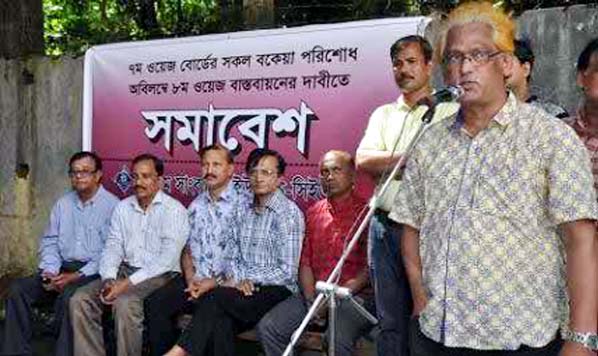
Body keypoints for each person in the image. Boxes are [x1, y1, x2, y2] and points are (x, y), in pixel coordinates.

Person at [391, 2, 598, 355]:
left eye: (478, 55)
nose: (465, 68)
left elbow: (582, 241)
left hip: (523, 336)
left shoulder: (551, 137)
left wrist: (582, 337)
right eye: (454, 58)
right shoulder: (430, 142)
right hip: (439, 332)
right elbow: (410, 223)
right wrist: (420, 297)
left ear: (505, 64)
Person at [355, 35, 457, 356]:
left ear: (429, 66)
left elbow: (445, 166)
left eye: (411, 62)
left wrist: (390, 163)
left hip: (430, 231)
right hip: (384, 228)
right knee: (389, 320)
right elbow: (363, 161)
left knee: (425, 317)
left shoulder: (451, 111)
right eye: (397, 64)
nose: (403, 69)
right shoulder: (383, 114)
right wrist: (407, 159)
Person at [164, 148, 304, 356]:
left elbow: (287, 272)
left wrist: (247, 278)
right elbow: (232, 256)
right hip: (241, 287)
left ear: (280, 179)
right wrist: (238, 279)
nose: (258, 178)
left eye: (266, 173)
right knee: (221, 322)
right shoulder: (243, 207)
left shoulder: (288, 213)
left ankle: (180, 351)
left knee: (216, 297)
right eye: (254, 172)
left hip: (276, 289)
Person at [69, 153, 189, 356]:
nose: (138, 182)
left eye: (145, 176)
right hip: (123, 271)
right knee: (80, 299)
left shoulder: (174, 210)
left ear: (159, 180)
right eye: (135, 176)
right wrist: (108, 278)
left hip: (160, 276)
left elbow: (166, 260)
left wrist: (125, 285)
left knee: (125, 303)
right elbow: (113, 246)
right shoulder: (123, 208)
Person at [0, 152, 118, 356]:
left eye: (85, 172)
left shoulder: (114, 206)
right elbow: (50, 241)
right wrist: (50, 270)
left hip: (93, 273)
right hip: (61, 268)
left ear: (98, 175)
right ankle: (16, 352)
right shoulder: (63, 204)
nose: (79, 176)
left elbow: (110, 252)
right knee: (18, 289)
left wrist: (76, 276)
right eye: (74, 172)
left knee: (69, 296)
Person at [257, 150, 374, 356]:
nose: (329, 176)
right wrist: (312, 299)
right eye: (324, 172)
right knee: (269, 328)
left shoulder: (367, 213)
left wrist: (333, 298)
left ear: (353, 175)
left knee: (335, 342)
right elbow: (306, 262)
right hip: (314, 294)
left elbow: (369, 268)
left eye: (336, 170)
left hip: (352, 298)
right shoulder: (313, 212)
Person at [144, 144, 250, 356]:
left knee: (216, 318)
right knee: (155, 304)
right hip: (196, 279)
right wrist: (191, 277)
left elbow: (244, 257)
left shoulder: (245, 203)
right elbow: (187, 249)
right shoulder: (196, 205)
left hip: (226, 284)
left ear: (231, 169)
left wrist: (213, 282)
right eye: (205, 164)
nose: (209, 170)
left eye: (216, 164)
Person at [507, 38, 569, 118]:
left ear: (526, 69)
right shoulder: (488, 114)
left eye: (507, 61)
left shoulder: (553, 115)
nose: (501, 68)